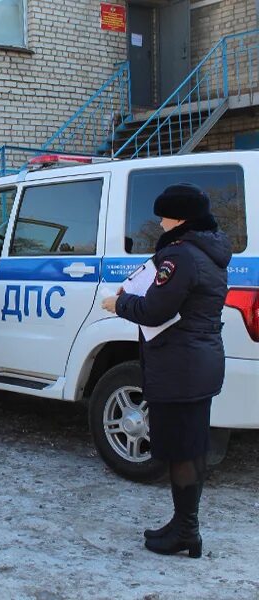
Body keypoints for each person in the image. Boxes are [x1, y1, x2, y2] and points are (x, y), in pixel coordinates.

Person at [102, 183, 232, 558]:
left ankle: (186, 530)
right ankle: (183, 525)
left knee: (180, 452)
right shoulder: (210, 253)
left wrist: (120, 303)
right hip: (198, 363)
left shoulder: (181, 257)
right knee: (189, 449)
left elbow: (155, 310)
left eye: (163, 215)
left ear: (180, 218)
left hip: (179, 366)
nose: (159, 222)